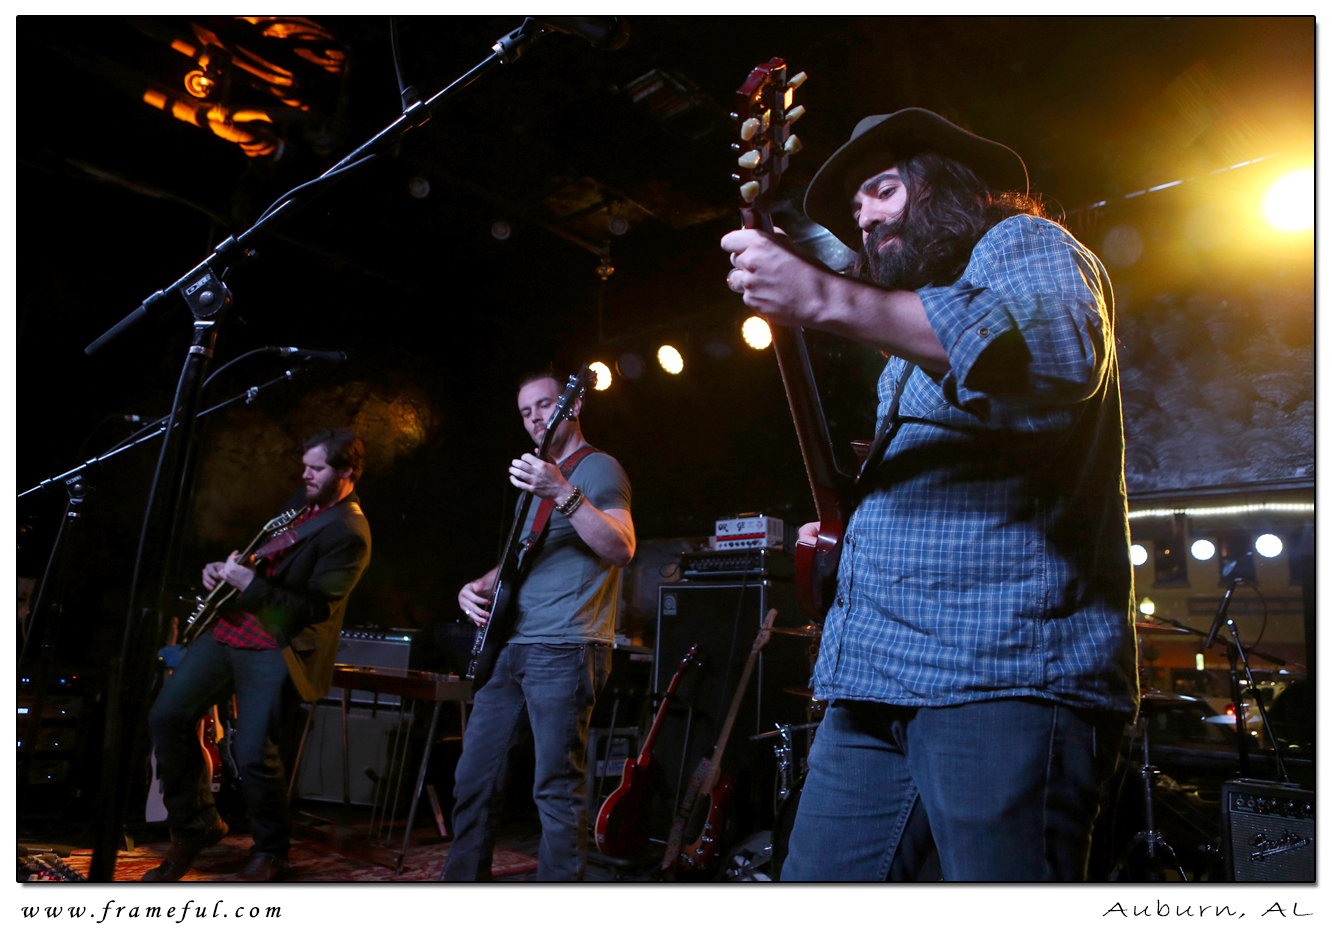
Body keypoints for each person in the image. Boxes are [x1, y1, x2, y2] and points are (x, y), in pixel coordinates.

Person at [721, 108, 1139, 881]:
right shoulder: (914, 333)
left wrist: (825, 299)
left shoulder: (1024, 242)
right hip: (874, 677)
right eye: (856, 209)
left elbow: (1054, 355)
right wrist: (861, 516)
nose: (866, 217)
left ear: (946, 186)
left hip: (1002, 678)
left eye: (882, 189)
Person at [142, 428, 371, 882]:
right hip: (229, 629)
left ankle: (271, 850)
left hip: (273, 645)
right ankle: (196, 825)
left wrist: (250, 585)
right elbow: (261, 560)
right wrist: (225, 572)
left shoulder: (349, 531)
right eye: (304, 465)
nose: (305, 474)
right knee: (166, 717)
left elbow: (314, 609)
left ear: (346, 471)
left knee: (252, 753)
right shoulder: (299, 504)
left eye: (316, 468)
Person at [445, 371, 635, 881]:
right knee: (474, 779)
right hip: (511, 645)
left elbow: (622, 547)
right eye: (526, 411)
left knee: (555, 787)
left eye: (544, 405)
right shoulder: (538, 479)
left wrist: (565, 492)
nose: (534, 418)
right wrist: (477, 585)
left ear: (573, 405)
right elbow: (520, 557)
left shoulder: (597, 467)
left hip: (566, 644)